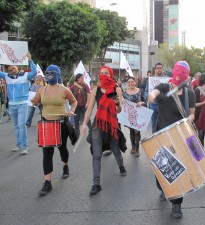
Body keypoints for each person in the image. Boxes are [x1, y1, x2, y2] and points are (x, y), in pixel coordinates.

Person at [148, 61, 195, 218]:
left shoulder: (190, 94)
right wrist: (153, 96)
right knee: (162, 169)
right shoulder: (164, 87)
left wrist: (191, 119)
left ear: (186, 75)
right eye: (178, 71)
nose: (179, 74)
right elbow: (152, 94)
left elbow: (192, 113)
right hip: (162, 134)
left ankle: (177, 204)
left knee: (178, 169)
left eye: (183, 72)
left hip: (180, 136)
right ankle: (163, 187)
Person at [31, 64, 77, 196]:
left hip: (61, 123)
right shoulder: (41, 90)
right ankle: (47, 183)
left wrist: (71, 111)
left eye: (52, 72)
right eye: (47, 72)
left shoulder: (64, 90)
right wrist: (34, 101)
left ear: (57, 74)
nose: (49, 74)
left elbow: (74, 102)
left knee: (62, 149)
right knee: (47, 153)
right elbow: (37, 102)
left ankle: (65, 166)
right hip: (46, 124)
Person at [81, 66, 126, 196]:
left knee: (116, 149)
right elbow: (89, 108)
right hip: (98, 125)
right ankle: (96, 184)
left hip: (112, 125)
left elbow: (119, 110)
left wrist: (117, 103)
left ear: (111, 75)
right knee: (96, 154)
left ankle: (121, 166)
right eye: (101, 73)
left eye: (106, 73)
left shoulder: (116, 89)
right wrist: (84, 123)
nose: (104, 75)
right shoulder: (96, 90)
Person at [0, 52, 37, 155]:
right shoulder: (7, 76)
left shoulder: (25, 75)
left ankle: (25, 147)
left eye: (14, 68)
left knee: (21, 125)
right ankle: (19, 144)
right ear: (8, 71)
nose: (13, 70)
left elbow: (34, 72)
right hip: (12, 105)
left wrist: (30, 60)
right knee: (16, 126)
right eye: (10, 69)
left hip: (22, 104)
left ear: (17, 67)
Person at [123, 76, 146, 157]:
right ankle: (132, 147)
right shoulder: (124, 93)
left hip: (139, 114)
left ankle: (137, 149)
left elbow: (146, 101)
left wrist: (141, 103)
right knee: (131, 131)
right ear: (127, 83)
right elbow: (122, 103)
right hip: (129, 115)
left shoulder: (140, 91)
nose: (130, 83)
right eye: (129, 82)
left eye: (132, 81)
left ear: (135, 82)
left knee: (137, 131)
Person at [149, 63, 166, 133]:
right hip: (154, 105)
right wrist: (149, 98)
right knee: (154, 124)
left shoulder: (167, 79)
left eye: (160, 68)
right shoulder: (150, 80)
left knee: (165, 125)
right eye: (157, 68)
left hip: (165, 105)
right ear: (155, 70)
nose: (159, 69)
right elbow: (146, 91)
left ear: (163, 69)